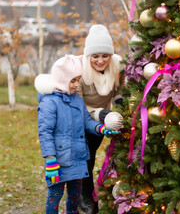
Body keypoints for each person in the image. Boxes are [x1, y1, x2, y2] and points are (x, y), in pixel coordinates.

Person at [34, 55, 119, 214]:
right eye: (72, 80)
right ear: (61, 80)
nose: (76, 84)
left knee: (74, 196)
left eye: (78, 80)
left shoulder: (78, 101)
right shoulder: (49, 103)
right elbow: (45, 133)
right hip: (59, 160)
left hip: (79, 158)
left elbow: (87, 122)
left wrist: (101, 129)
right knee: (55, 195)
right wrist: (50, 159)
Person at [76, 24, 123, 214]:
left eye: (105, 55)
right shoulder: (79, 72)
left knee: (91, 156)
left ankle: (86, 195)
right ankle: (86, 200)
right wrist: (100, 115)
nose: (100, 60)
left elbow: (119, 92)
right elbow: (78, 106)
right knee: (84, 158)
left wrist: (118, 109)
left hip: (104, 120)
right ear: (89, 56)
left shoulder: (117, 67)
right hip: (81, 120)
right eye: (95, 56)